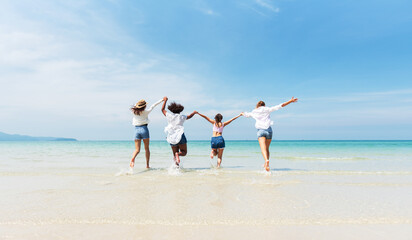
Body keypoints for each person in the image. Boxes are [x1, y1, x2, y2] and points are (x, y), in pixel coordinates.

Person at [242, 97, 298, 171]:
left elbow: (246, 115)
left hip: (260, 131)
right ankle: (266, 164)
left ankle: (266, 161)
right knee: (267, 148)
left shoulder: (254, 112)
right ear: (264, 105)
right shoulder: (267, 109)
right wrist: (290, 101)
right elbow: (280, 106)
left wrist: (242, 113)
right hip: (269, 131)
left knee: (263, 148)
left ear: (257, 106)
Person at [130, 97, 165, 169]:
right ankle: (147, 165)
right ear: (144, 106)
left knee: (137, 150)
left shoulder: (133, 112)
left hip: (136, 130)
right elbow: (153, 105)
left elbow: (135, 107)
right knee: (146, 149)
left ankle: (133, 158)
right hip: (144, 129)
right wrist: (162, 100)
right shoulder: (146, 112)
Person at [161, 97, 196, 166]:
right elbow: (189, 116)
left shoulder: (169, 115)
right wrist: (194, 113)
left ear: (172, 110)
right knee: (184, 152)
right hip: (180, 136)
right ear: (180, 110)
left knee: (174, 155)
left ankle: (176, 169)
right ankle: (178, 154)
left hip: (171, 137)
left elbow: (162, 110)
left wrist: (165, 101)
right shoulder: (181, 117)